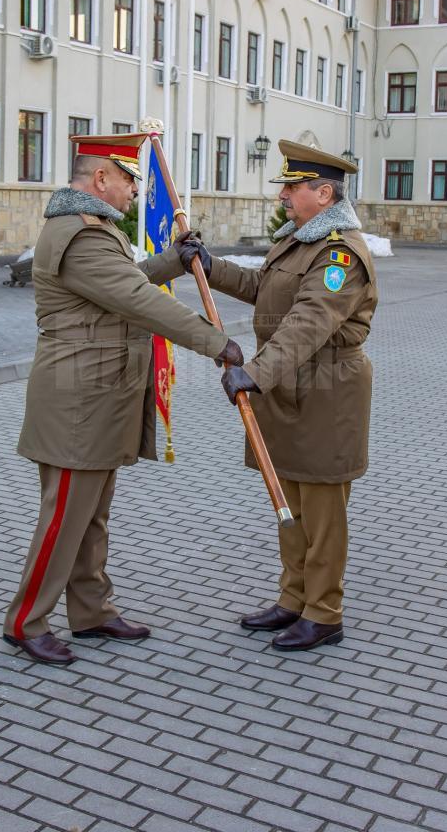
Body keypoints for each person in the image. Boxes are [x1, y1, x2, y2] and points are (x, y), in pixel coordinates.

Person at [3, 133, 243, 666]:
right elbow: (134, 300)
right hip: (77, 402)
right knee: (64, 516)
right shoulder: (80, 235)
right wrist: (214, 341)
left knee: (90, 517)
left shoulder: (93, 230)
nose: (136, 190)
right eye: (130, 180)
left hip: (98, 397)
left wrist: (172, 263)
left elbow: (124, 281)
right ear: (100, 180)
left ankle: (90, 611)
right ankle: (25, 622)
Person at [182, 141, 378, 651]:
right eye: (285, 186)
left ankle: (324, 612)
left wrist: (255, 372)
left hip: (326, 394)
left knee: (322, 510)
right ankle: (293, 600)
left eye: (293, 187)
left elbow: (309, 321)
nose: (284, 195)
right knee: (287, 503)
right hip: (289, 389)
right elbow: (263, 288)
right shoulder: (297, 241)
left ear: (324, 192)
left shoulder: (339, 252)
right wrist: (208, 263)